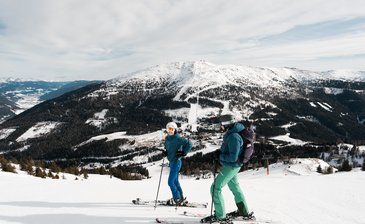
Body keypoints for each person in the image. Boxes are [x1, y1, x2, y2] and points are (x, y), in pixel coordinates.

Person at [208, 115, 254, 222]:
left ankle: (221, 216)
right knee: (235, 187)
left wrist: (219, 156)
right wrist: (219, 153)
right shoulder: (234, 132)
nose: (220, 127)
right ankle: (244, 211)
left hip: (232, 166)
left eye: (221, 125)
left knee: (215, 188)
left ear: (226, 124)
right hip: (234, 166)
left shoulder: (234, 136)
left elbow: (233, 157)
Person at [164, 121, 193, 205]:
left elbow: (189, 144)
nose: (169, 131)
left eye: (171, 129)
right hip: (172, 162)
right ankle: (180, 197)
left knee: (170, 182)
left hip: (176, 162)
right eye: (168, 129)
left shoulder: (179, 138)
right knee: (175, 181)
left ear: (175, 129)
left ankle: (176, 198)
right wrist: (165, 152)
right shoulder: (167, 139)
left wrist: (183, 152)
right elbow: (167, 148)